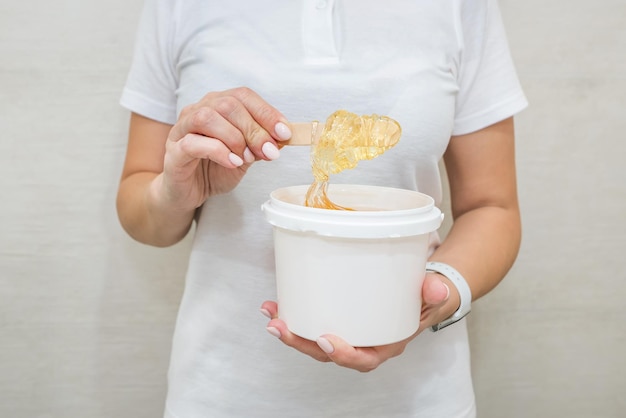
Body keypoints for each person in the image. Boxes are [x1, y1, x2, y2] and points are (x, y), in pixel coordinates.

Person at [116, 0, 527, 416]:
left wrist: (436, 293)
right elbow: (139, 208)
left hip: (416, 398)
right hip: (224, 390)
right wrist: (174, 192)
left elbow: (491, 207)